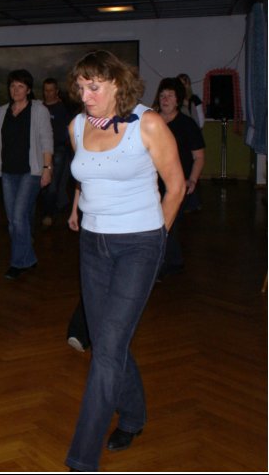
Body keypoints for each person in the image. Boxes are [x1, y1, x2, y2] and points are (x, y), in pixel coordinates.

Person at [64, 50, 185, 472]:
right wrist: (78, 206)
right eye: (81, 88)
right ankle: (132, 415)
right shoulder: (77, 126)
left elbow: (176, 186)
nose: (86, 95)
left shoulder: (148, 124)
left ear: (118, 83)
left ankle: (81, 458)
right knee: (108, 341)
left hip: (139, 244)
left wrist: (156, 237)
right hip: (94, 246)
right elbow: (86, 172)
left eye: (94, 86)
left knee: (108, 350)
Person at [0, 69, 53, 280]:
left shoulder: (38, 110)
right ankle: (29, 257)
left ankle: (17, 263)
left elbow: (46, 140)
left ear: (29, 89)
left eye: (20, 86)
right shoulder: (3, 111)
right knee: (14, 219)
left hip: (30, 171)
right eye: (13, 86)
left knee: (17, 217)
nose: (15, 90)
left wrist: (47, 169)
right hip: (7, 172)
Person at [152, 77, 206, 279]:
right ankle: (174, 261)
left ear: (178, 100)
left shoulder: (187, 124)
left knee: (168, 224)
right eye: (162, 95)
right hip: (151, 183)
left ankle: (165, 264)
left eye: (170, 95)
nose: (165, 99)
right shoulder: (151, 121)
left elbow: (199, 157)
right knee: (159, 224)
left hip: (176, 184)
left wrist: (192, 180)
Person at [40, 78, 72, 227]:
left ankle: (48, 214)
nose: (48, 93)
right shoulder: (40, 108)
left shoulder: (61, 108)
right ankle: (45, 210)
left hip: (57, 150)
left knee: (52, 184)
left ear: (56, 91)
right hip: (40, 150)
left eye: (51, 90)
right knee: (40, 184)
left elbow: (63, 134)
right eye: (46, 90)